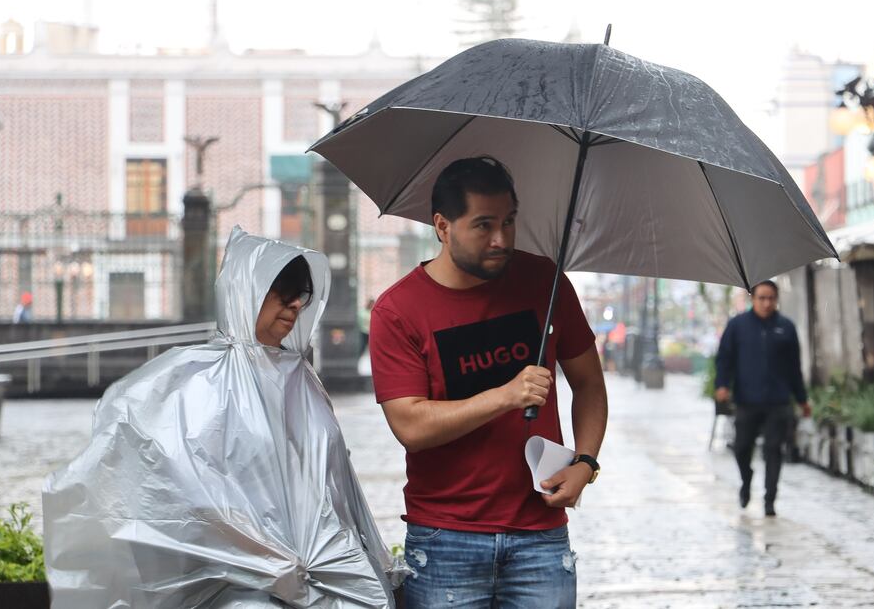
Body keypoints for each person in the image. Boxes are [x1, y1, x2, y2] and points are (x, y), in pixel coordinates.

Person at [44, 227, 404, 607]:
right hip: (235, 581)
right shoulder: (196, 383)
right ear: (246, 292)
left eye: (301, 295)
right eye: (282, 291)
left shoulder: (301, 381)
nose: (295, 305)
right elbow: (178, 492)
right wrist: (264, 558)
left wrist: (371, 554)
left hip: (317, 564)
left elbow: (338, 483)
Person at [369, 156, 608, 608]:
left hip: (540, 536)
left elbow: (590, 385)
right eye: (483, 225)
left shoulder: (544, 282)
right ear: (442, 226)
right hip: (445, 539)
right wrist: (505, 396)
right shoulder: (398, 310)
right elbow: (411, 427)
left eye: (509, 221)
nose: (501, 239)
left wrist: (586, 463)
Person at [714, 279, 810, 517]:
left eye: (771, 298)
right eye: (762, 298)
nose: (766, 303)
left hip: (778, 402)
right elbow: (724, 358)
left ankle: (770, 500)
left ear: (776, 300)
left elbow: (794, 368)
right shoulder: (737, 326)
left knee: (773, 450)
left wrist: (802, 399)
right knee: (741, 448)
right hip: (747, 399)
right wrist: (722, 385)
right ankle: (746, 480)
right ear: (752, 299)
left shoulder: (786, 328)